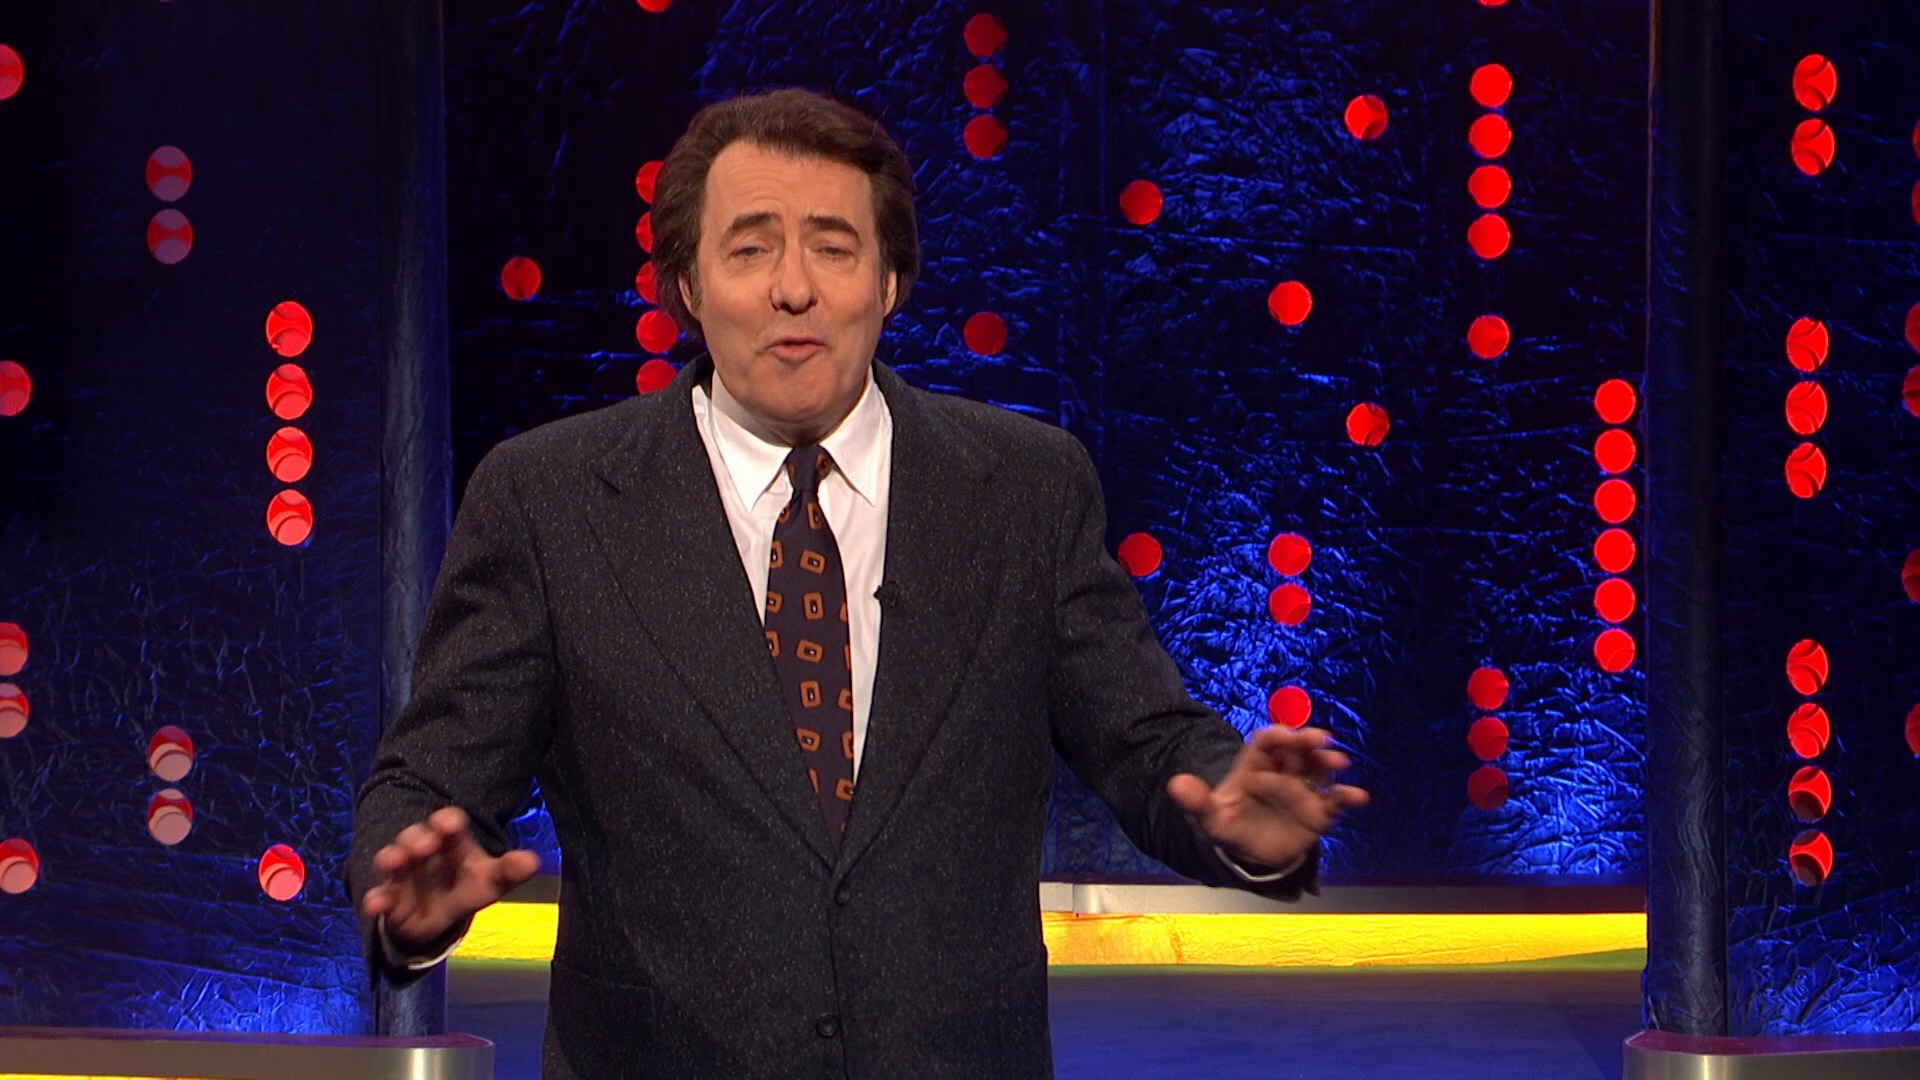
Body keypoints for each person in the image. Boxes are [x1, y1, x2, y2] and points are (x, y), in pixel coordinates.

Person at [351, 87, 1368, 1079]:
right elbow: (429, 784)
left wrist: (1242, 822)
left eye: (834, 248)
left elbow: (1147, 741)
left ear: (889, 281)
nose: (793, 288)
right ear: (688, 286)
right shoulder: (550, 499)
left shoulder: (1024, 489)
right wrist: (415, 905)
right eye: (750, 249)